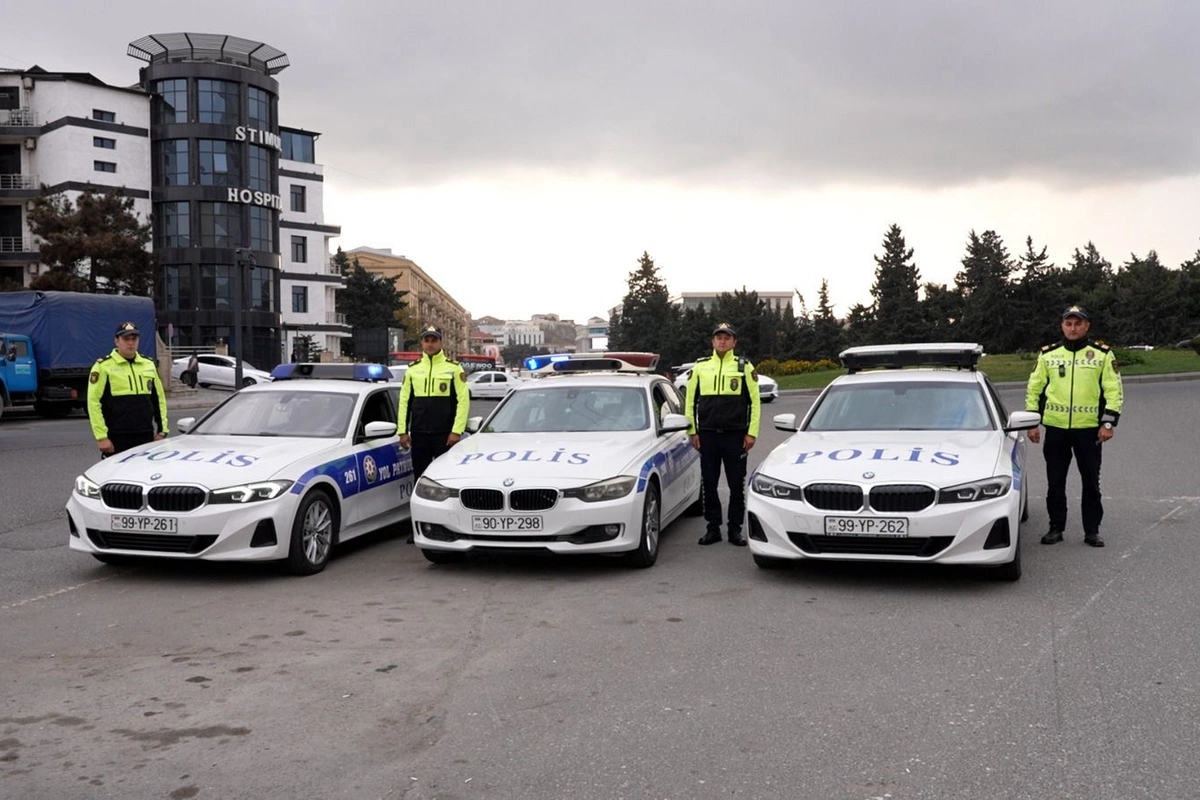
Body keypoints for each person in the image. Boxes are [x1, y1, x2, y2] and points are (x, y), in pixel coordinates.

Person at [1025, 305, 1124, 547]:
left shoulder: (1101, 354)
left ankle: (1092, 530)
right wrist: (1032, 422)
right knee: (1055, 482)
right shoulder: (1048, 354)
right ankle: (1056, 528)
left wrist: (1108, 423)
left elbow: (1113, 390)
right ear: (1062, 326)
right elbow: (1035, 389)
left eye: (1078, 323)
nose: (1073, 328)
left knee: (1091, 482)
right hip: (1056, 429)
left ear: (1087, 326)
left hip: (1089, 430)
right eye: (1068, 323)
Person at [685, 322, 761, 546]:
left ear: (734, 342)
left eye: (727, 337)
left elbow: (755, 403)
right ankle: (713, 528)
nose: (722, 341)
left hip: (735, 436)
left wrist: (751, 433)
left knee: (736, 485)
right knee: (709, 484)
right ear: (713, 341)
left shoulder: (744, 367)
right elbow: (690, 402)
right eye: (719, 337)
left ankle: (735, 529)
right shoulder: (700, 367)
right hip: (707, 436)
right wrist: (693, 431)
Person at [397, 325, 469, 538]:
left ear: (441, 343)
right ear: (422, 343)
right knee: (421, 480)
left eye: (434, 340)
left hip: (445, 435)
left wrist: (456, 431)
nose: (429, 344)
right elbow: (404, 402)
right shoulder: (412, 369)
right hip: (419, 434)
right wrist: (403, 431)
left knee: (447, 481)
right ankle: (420, 527)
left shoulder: (454, 369)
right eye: (426, 340)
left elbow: (463, 402)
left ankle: (452, 526)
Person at [87, 321, 169, 457]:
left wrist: (162, 431)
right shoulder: (103, 366)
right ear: (116, 341)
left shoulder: (148, 364)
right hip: (117, 436)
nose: (130, 343)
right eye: (126, 339)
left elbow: (158, 399)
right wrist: (101, 437)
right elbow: (93, 402)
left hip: (145, 434)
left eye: (134, 339)